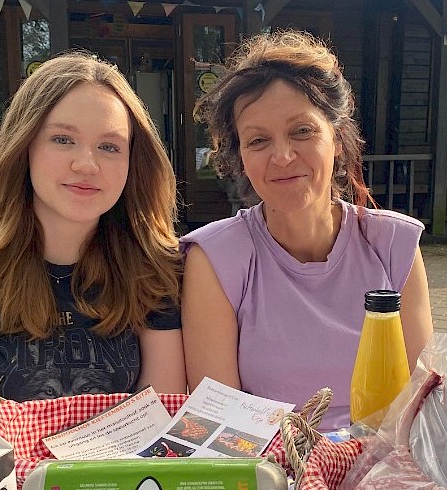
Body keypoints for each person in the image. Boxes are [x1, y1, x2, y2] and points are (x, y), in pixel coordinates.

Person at [181, 31, 434, 431]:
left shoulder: (394, 245)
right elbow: (219, 422)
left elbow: (424, 403)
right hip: (273, 472)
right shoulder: (217, 258)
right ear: (240, 157)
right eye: (258, 140)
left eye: (302, 131)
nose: (282, 157)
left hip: (384, 466)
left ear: (336, 137)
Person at [0, 51, 185, 407]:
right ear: (24, 145)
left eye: (109, 146)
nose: (86, 164)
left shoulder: (156, 261)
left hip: (127, 464)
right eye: (62, 139)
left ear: (133, 162)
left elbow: (162, 414)